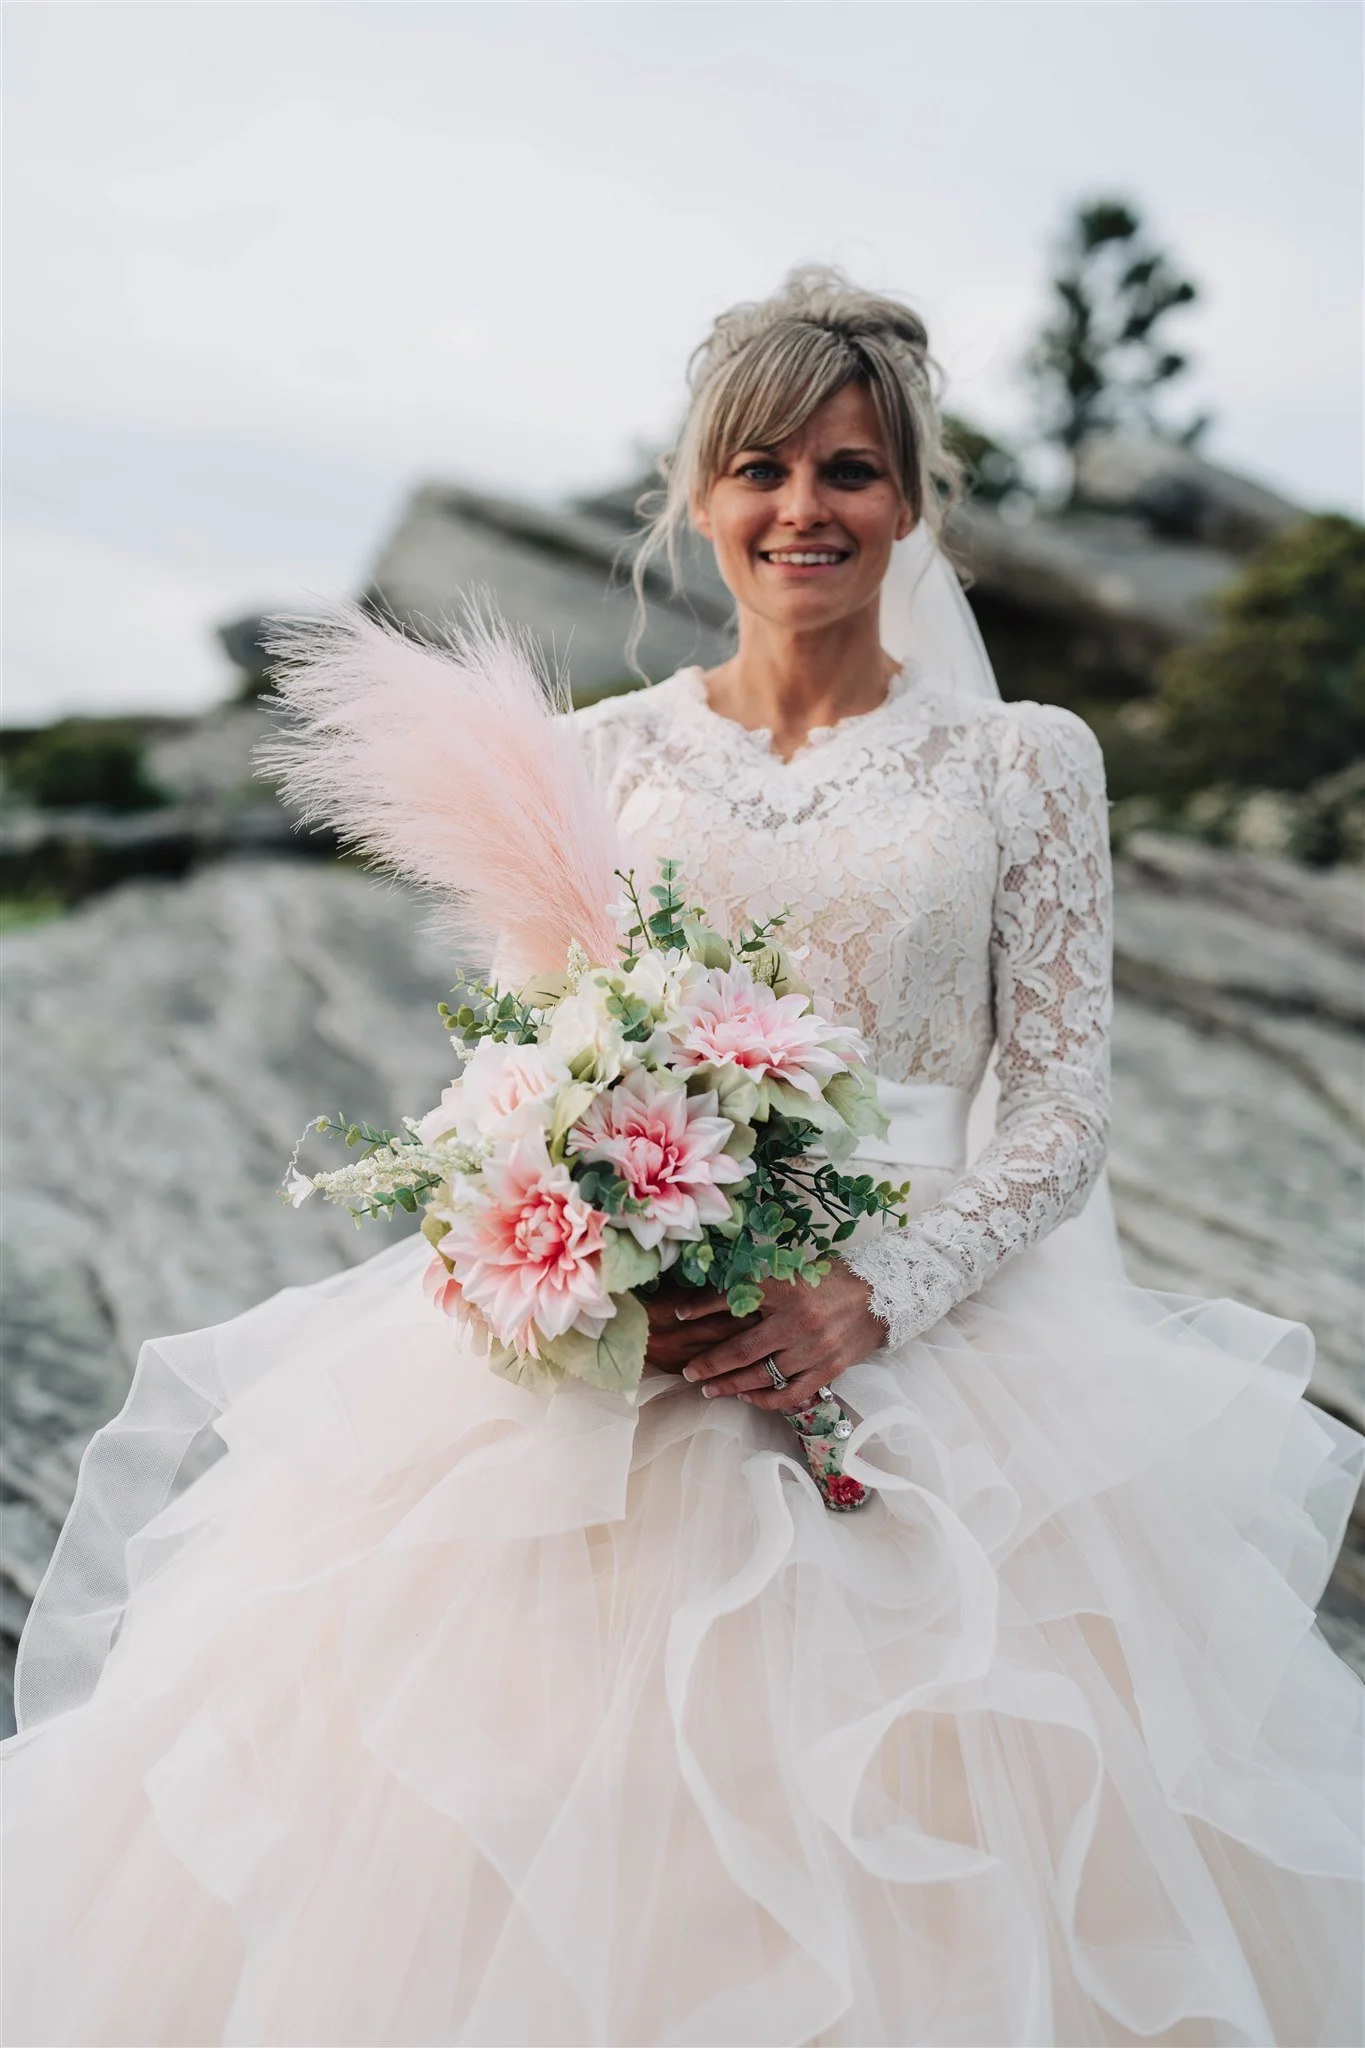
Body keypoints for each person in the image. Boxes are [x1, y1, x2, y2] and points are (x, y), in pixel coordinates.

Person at [3, 266, 1361, 2047]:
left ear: (916, 499)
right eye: (763, 468)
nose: (806, 509)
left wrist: (871, 1294)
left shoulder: (1026, 761)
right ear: (699, 495)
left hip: (938, 1351)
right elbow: (509, 1076)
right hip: (625, 1367)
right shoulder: (595, 759)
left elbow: (1058, 1113)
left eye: (854, 469)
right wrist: (533, 1243)